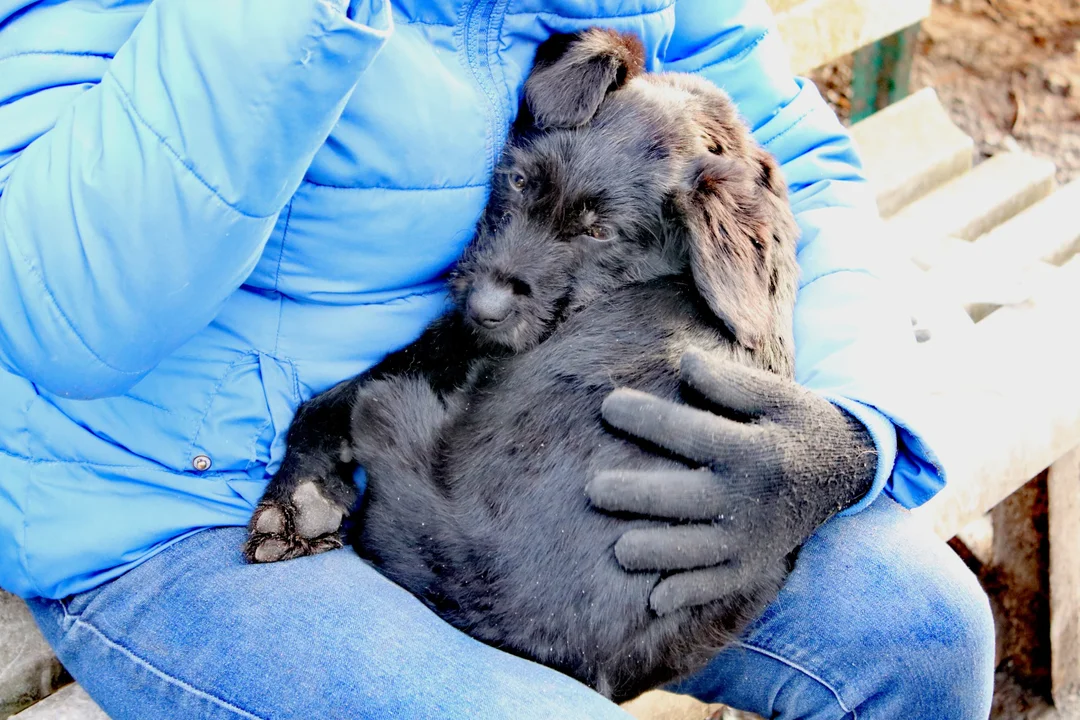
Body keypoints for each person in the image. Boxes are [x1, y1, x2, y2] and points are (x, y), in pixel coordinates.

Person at [0, 0, 994, 717]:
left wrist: (847, 435)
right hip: (189, 508)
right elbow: (69, 315)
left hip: (518, 446)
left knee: (918, 630)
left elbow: (786, 155)